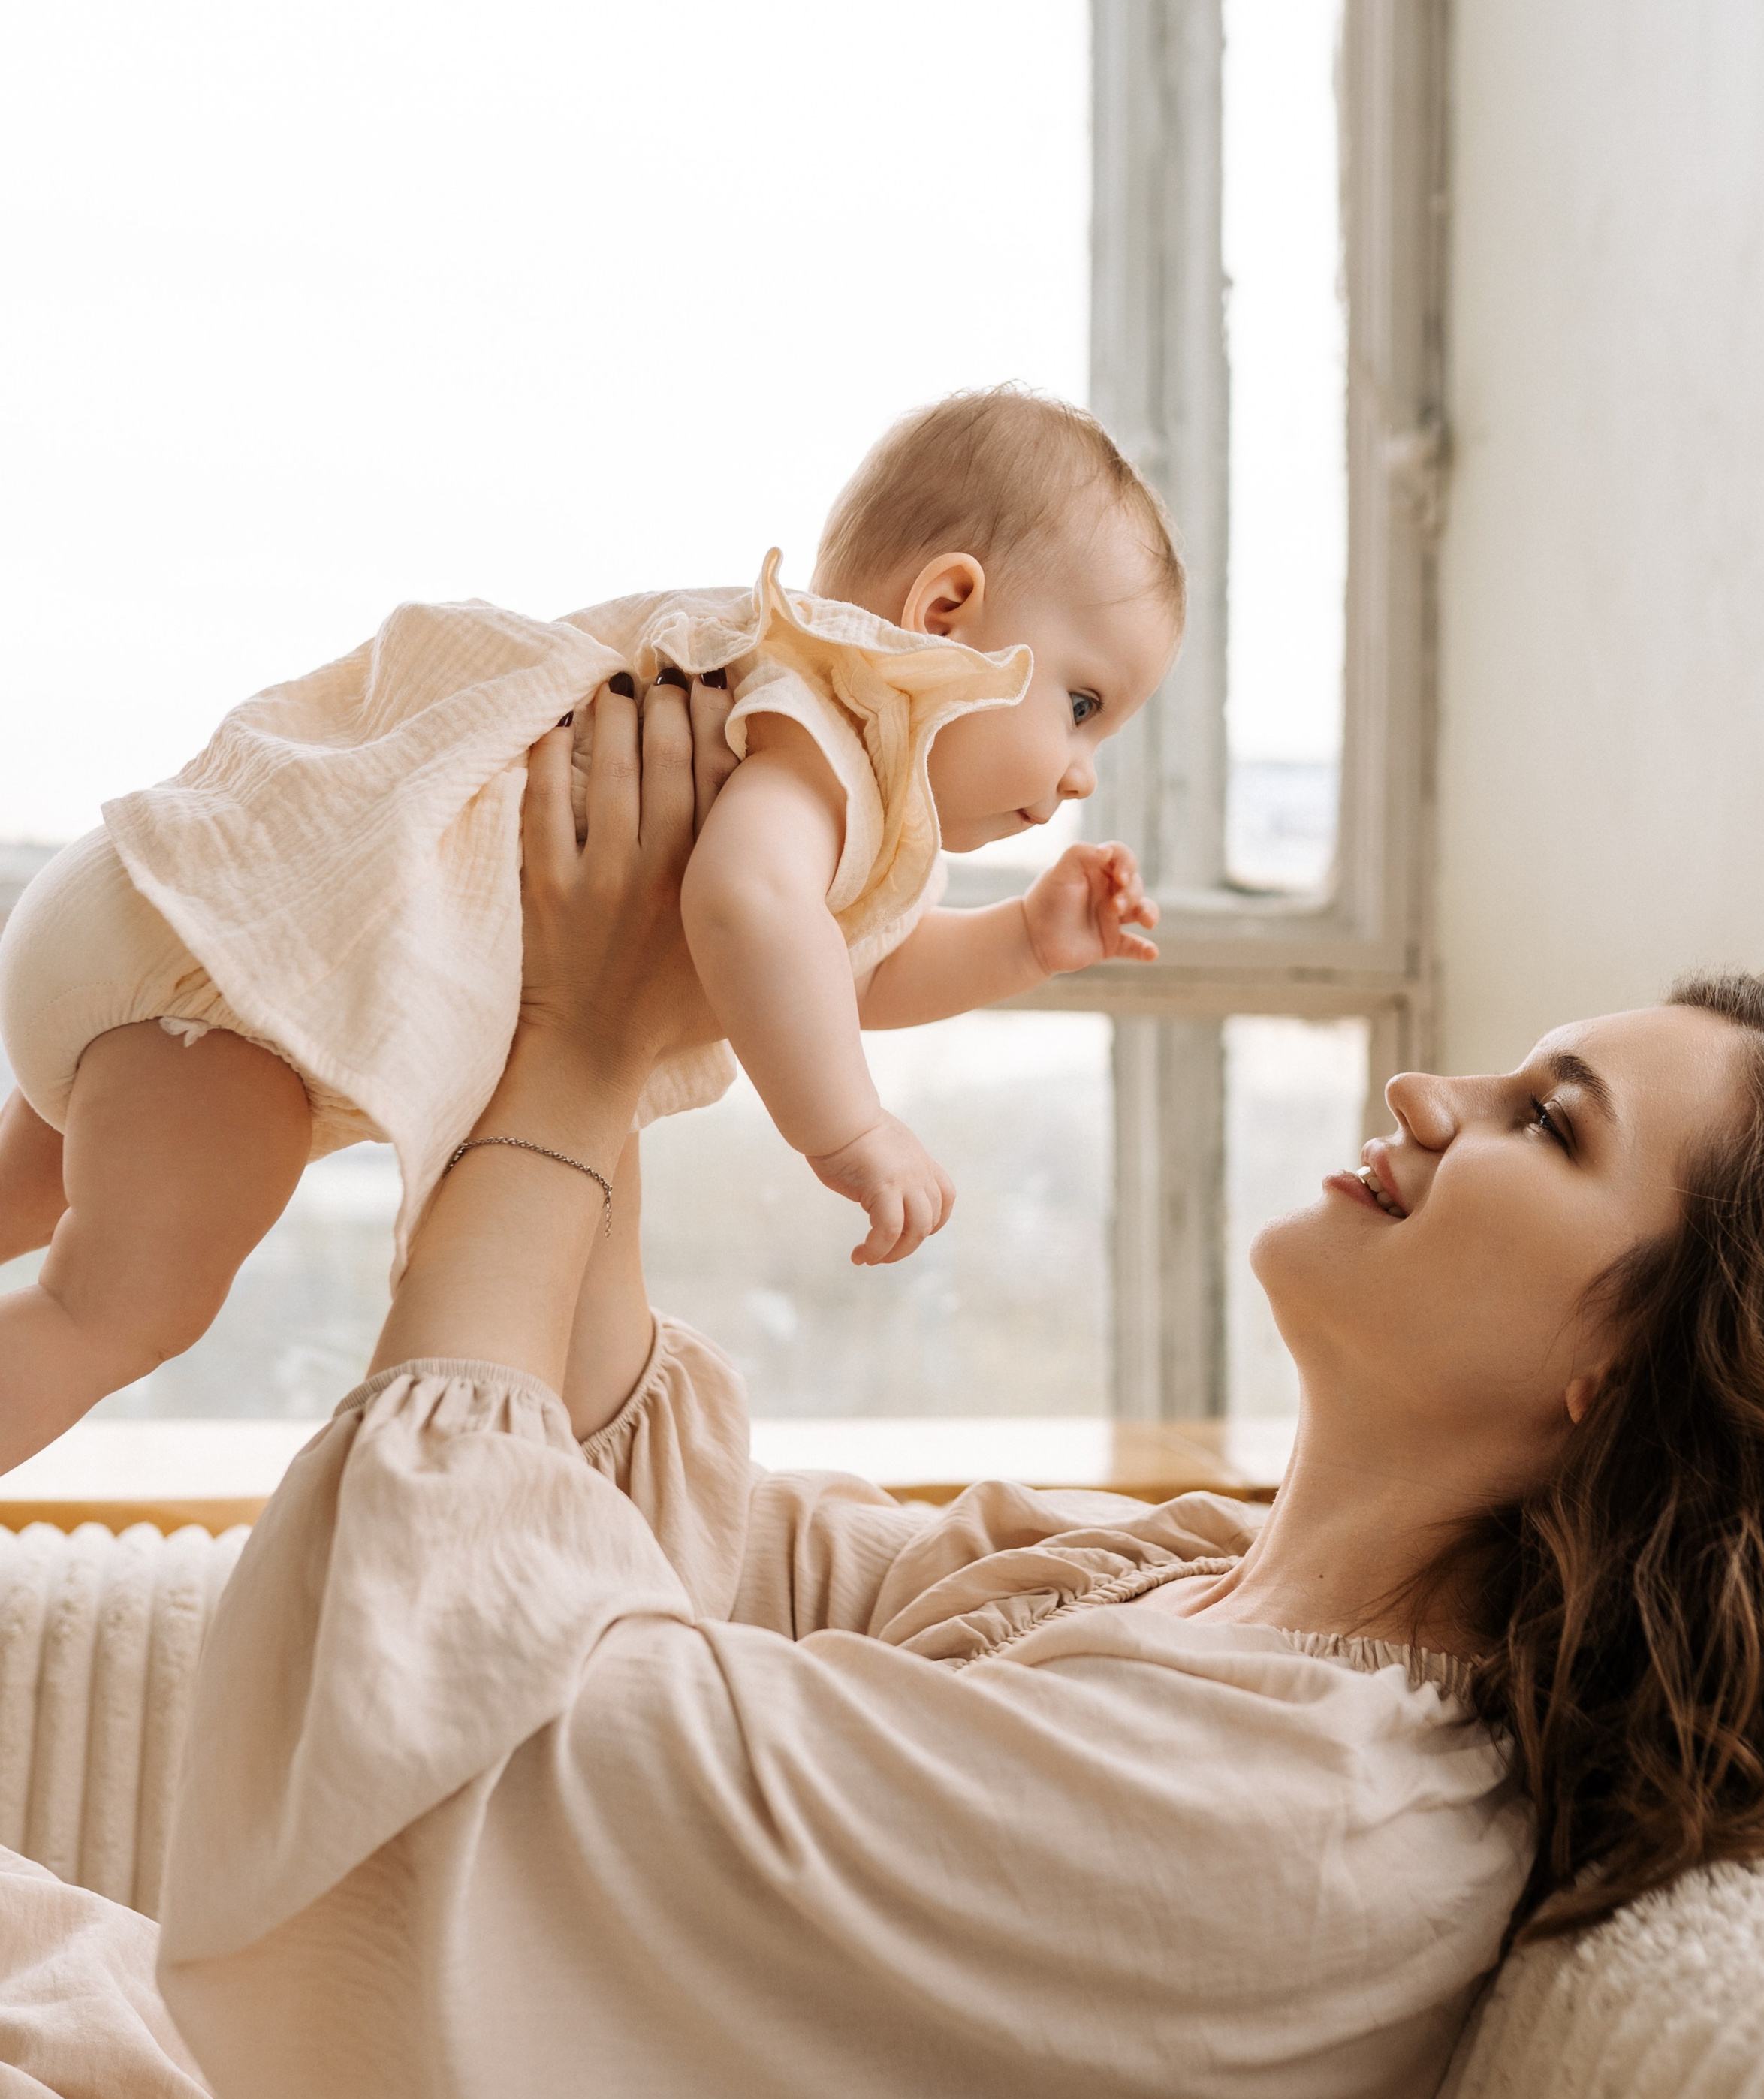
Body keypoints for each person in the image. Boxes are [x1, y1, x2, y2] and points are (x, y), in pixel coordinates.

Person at [133, 676, 1764, 2099]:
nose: (1425, 1089)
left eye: (1549, 1119)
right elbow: (652, 1538)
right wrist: (607, 996)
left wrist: (578, 1061)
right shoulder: (1209, 1578)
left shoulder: (1297, 1821)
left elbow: (463, 1716)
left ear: (1612, 1381)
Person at [0, 387, 1180, 1475]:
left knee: (32, 1193)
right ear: (946, 610)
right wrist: (849, 1126)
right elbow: (751, 910)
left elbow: (832, 967)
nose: (1080, 773)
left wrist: (1023, 939)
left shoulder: (805, 753)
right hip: (221, 996)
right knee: (110, 1310)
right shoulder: (817, 724)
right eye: (1081, 704)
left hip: (156, 897)